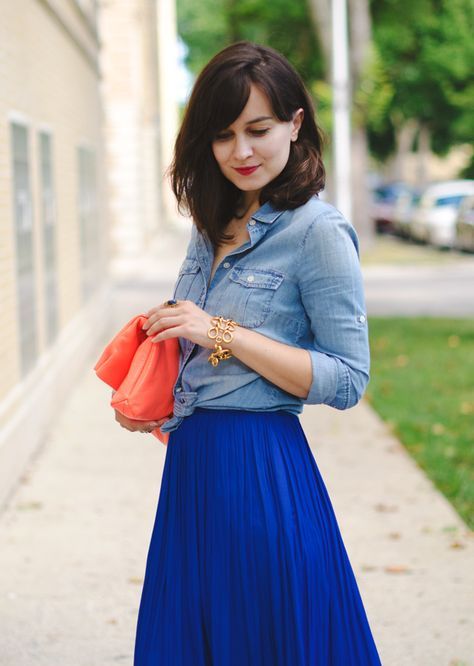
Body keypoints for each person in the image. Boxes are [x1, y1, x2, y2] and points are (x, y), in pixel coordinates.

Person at [120, 41, 382, 665]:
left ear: (295, 124)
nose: (240, 151)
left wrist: (220, 332)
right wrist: (152, 395)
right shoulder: (211, 220)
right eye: (222, 134)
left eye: (258, 129)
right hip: (192, 466)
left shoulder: (317, 232)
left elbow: (348, 378)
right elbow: (196, 344)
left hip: (261, 469)